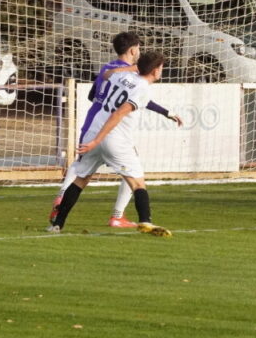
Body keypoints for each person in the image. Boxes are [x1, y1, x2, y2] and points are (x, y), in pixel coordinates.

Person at [47, 32, 181, 228]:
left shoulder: (122, 74)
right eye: (160, 68)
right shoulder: (143, 88)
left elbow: (107, 75)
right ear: (154, 71)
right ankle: (145, 221)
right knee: (137, 183)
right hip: (113, 138)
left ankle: (57, 224)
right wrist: (97, 141)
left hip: (94, 131)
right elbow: (117, 115)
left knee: (81, 180)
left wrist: (94, 140)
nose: (161, 71)